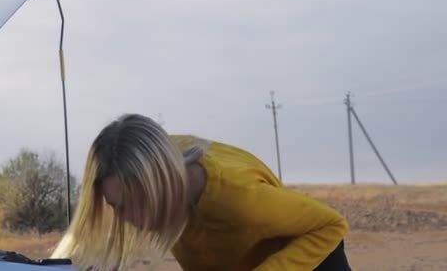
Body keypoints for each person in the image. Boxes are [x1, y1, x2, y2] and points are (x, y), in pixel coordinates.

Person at [52, 114, 351, 271]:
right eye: (117, 206)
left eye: (132, 204)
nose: (126, 219)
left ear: (162, 182)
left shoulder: (238, 198)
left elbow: (331, 225)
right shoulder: (161, 170)